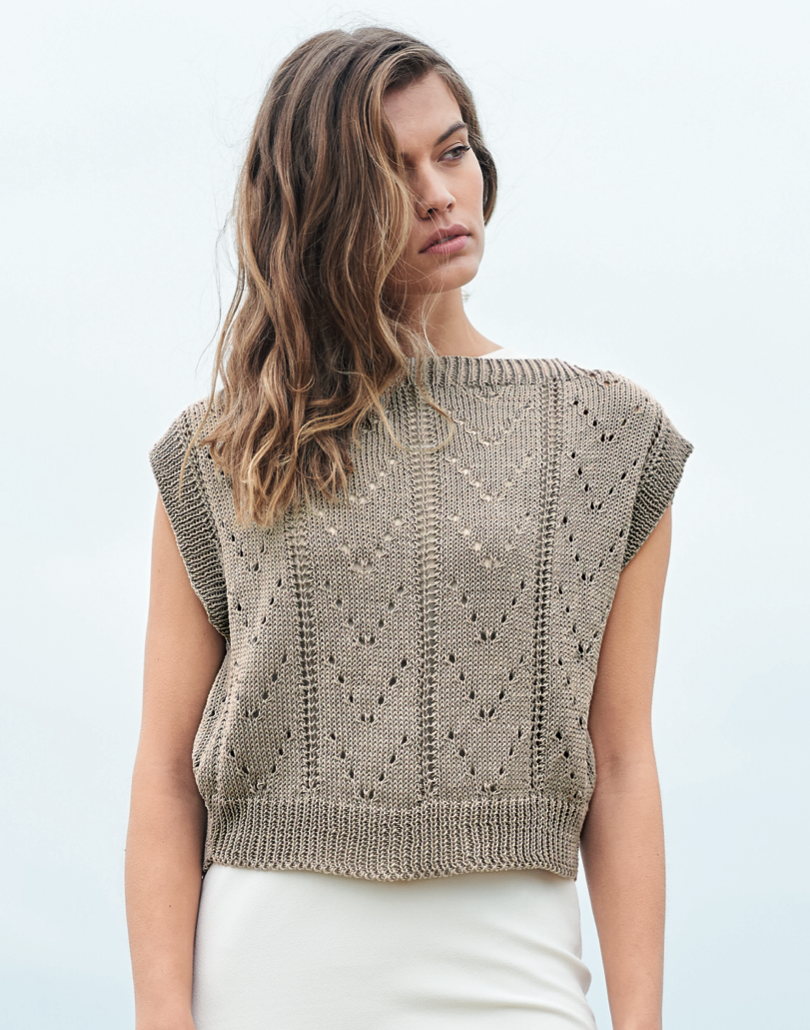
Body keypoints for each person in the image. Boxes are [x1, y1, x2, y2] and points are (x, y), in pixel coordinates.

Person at [125, 25, 694, 1030]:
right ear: (321, 203)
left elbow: (623, 763)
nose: (438, 193)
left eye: (453, 150)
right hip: (269, 969)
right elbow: (168, 774)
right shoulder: (226, 448)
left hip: (513, 966)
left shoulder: (606, 437)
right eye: (393, 171)